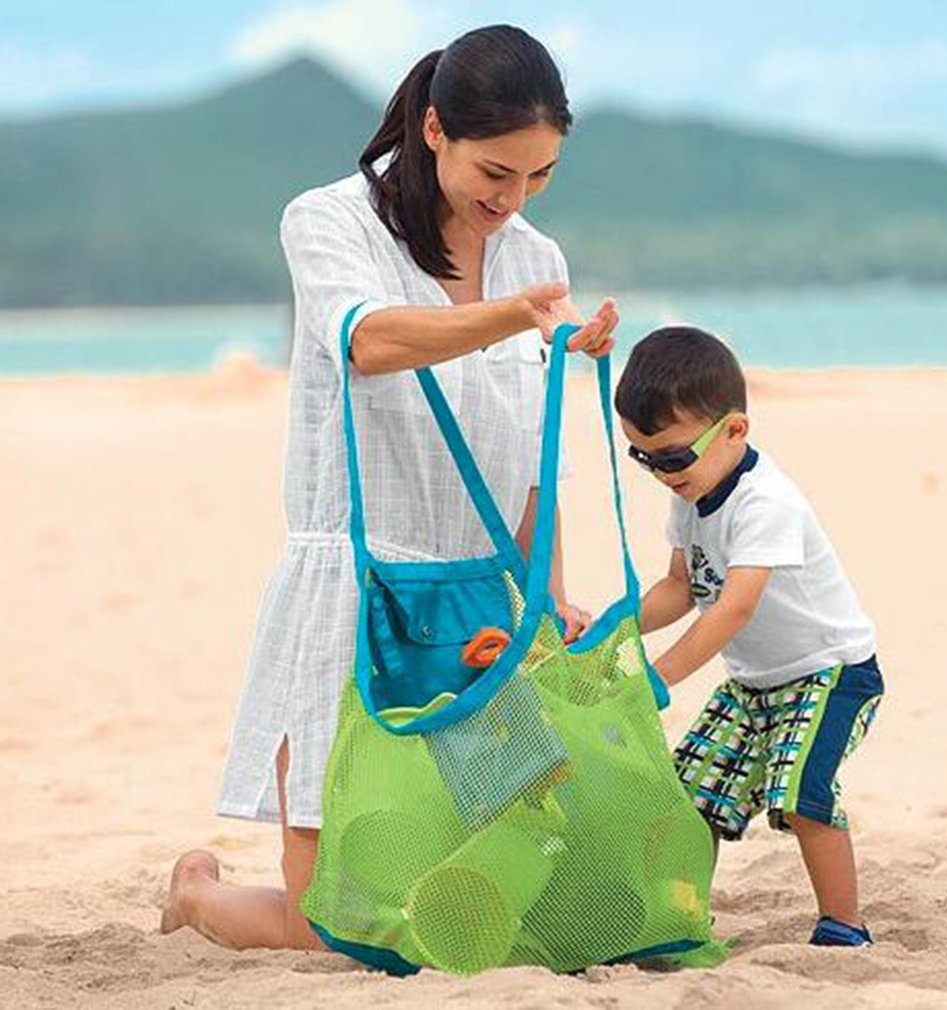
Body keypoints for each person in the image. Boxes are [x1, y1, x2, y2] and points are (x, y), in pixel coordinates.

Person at [161, 24, 618, 950]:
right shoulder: (328, 221)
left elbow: (539, 457)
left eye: (539, 177)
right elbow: (367, 342)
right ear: (437, 128)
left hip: (485, 611)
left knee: (509, 897)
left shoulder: (537, 260)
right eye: (497, 172)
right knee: (337, 922)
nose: (514, 198)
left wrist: (551, 594)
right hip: (355, 592)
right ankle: (199, 894)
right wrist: (510, 320)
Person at [615, 326, 884, 947]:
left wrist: (658, 677)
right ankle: (683, 918)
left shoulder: (766, 503)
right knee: (691, 797)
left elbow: (731, 609)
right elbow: (680, 588)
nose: (660, 472)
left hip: (832, 675)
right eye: (643, 457)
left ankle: (845, 925)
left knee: (801, 796)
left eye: (673, 456)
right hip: (755, 683)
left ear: (735, 430)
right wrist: (614, 627)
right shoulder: (692, 492)